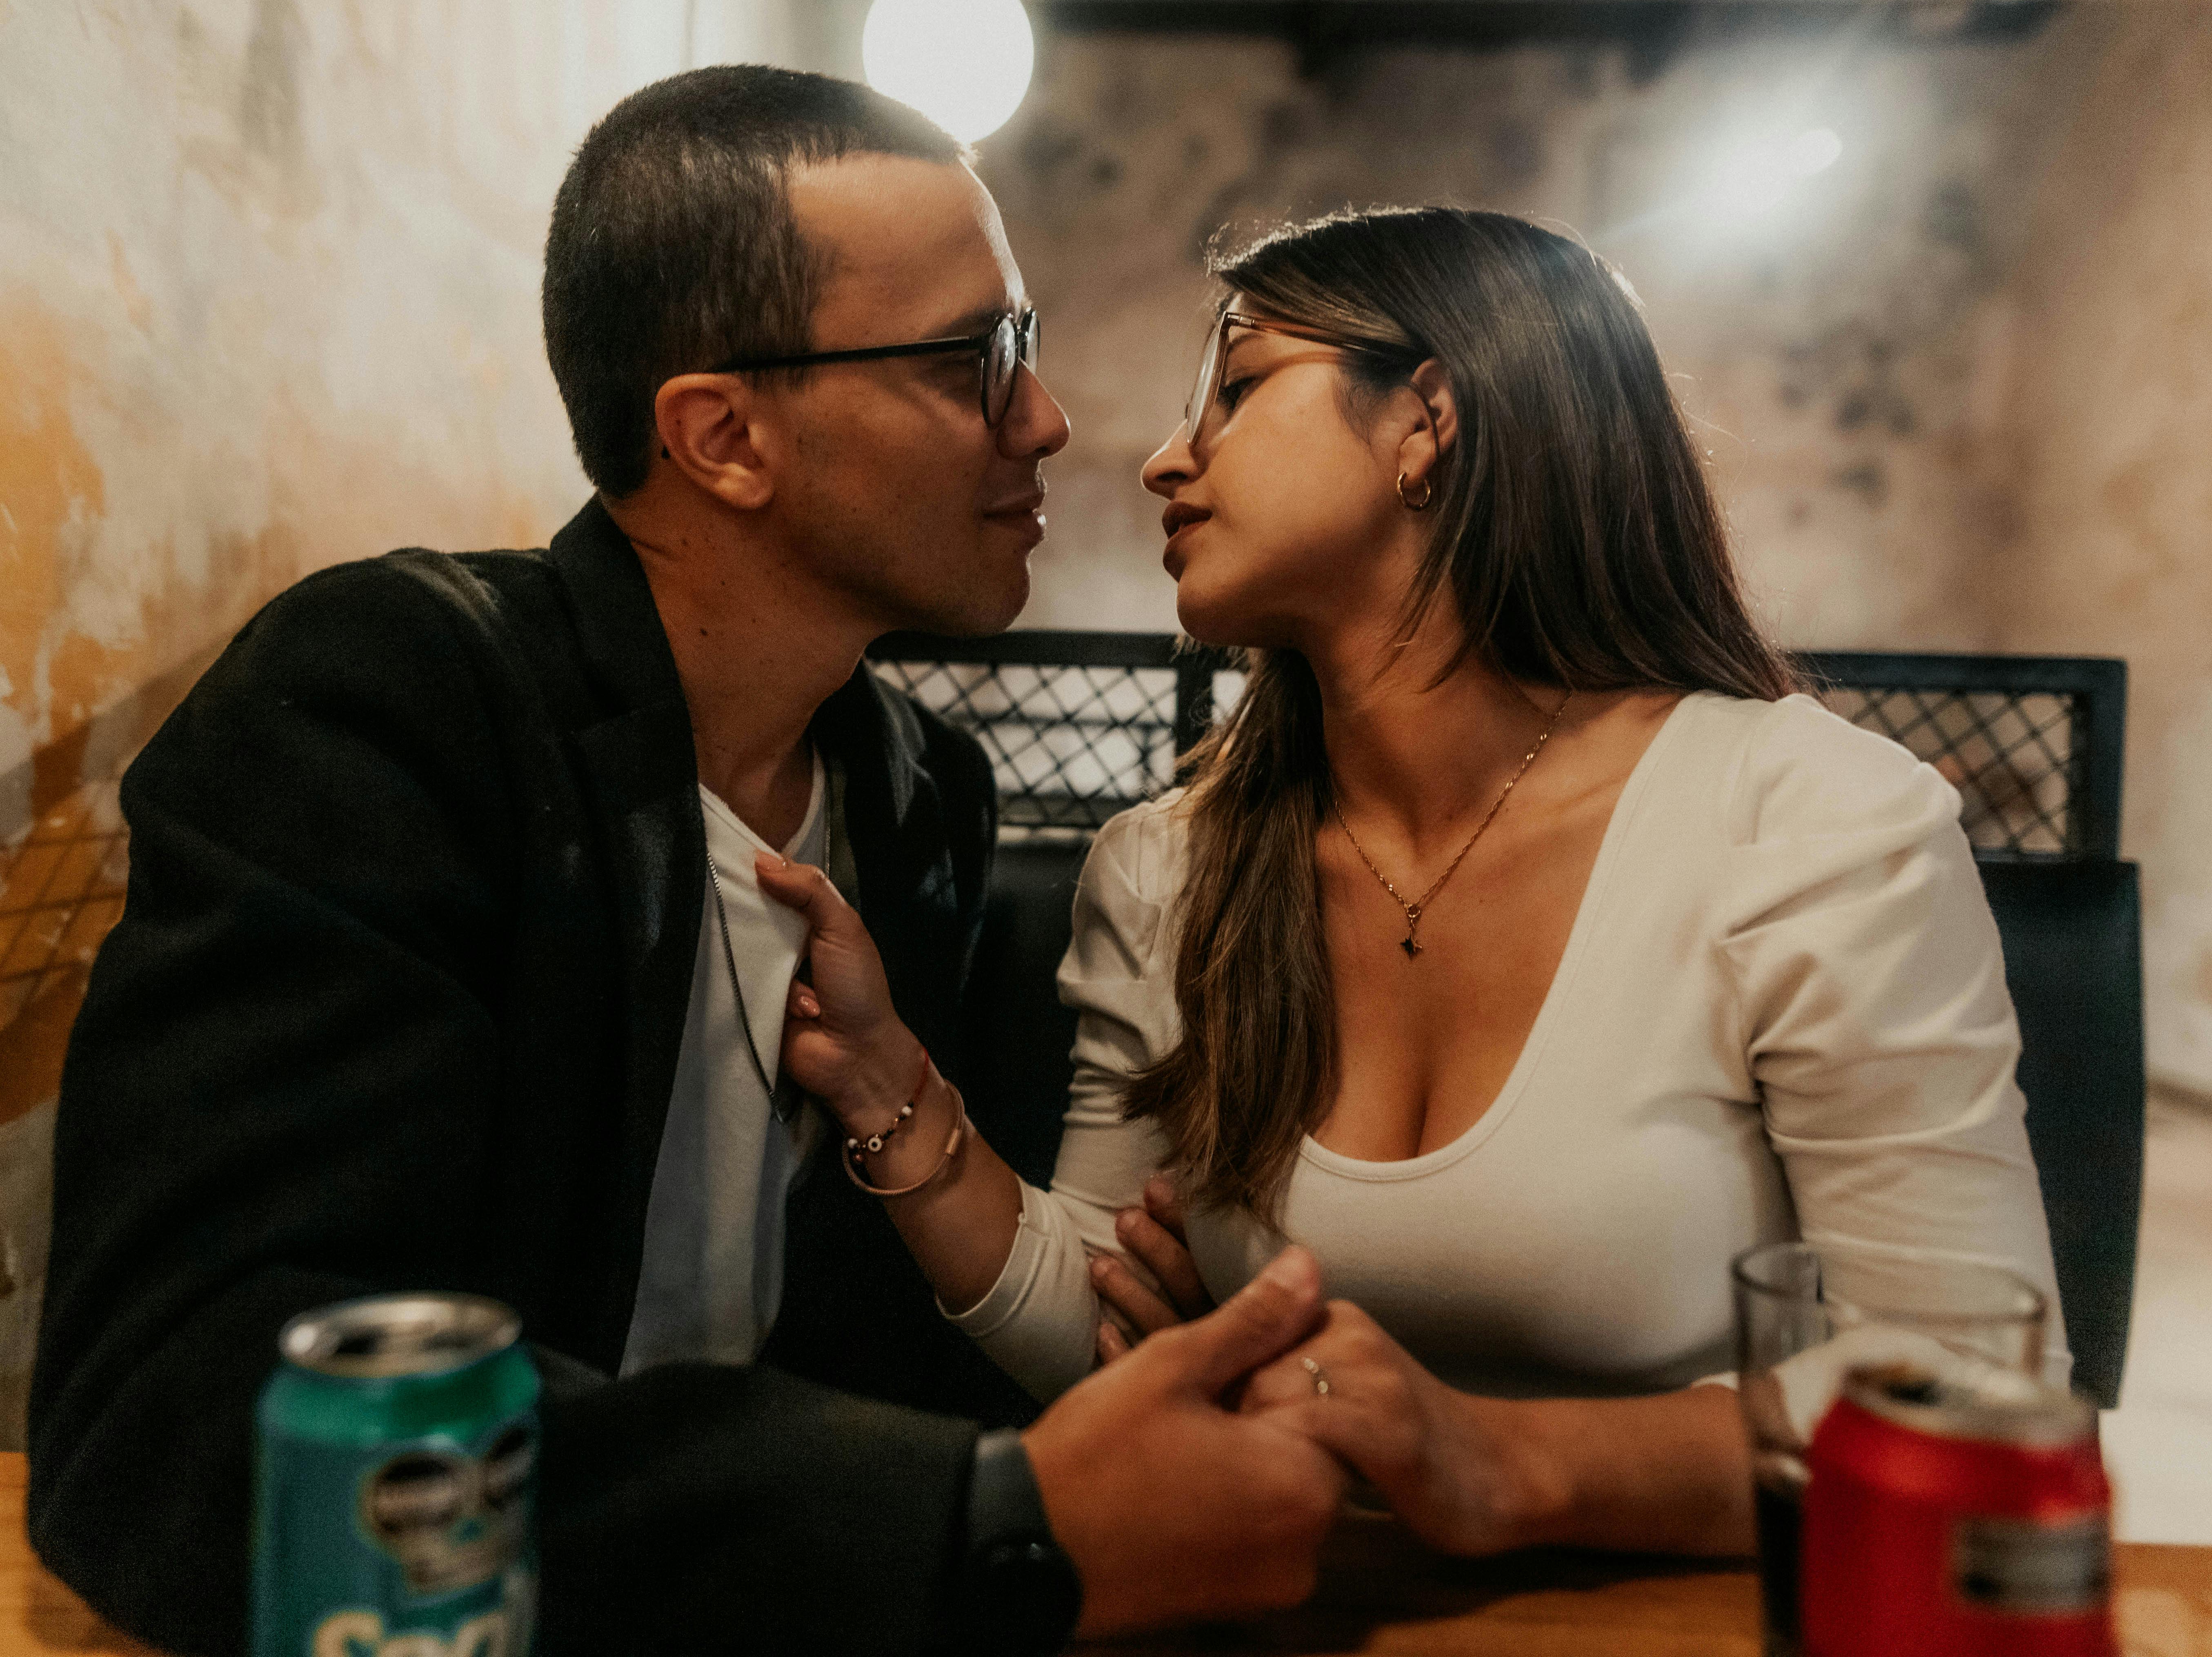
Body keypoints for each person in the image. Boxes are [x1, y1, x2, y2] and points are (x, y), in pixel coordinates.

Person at [24, 66, 1347, 1657]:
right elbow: (189, 1411)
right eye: (976, 357)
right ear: (723, 435)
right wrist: (981, 1520)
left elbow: (858, 1338)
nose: (1049, 420)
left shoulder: (919, 787)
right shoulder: (400, 706)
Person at [759, 205, 2069, 1562]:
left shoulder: (1808, 827)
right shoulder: (1169, 867)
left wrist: (1494, 1457)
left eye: (1242, 389)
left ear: (1425, 417)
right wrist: (886, 1086)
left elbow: (1975, 1399)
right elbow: (1109, 1331)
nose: (1162, 459)